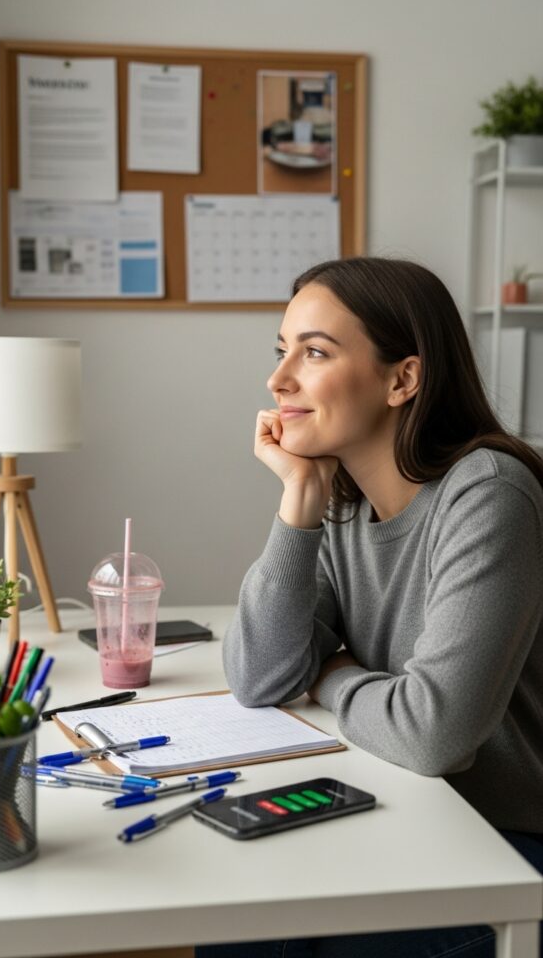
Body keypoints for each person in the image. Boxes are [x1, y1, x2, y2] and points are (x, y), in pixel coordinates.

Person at [196, 256, 543, 958]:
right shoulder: (341, 504)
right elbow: (260, 677)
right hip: (404, 809)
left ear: (402, 379)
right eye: (281, 350)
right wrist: (297, 504)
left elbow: (431, 734)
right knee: (233, 923)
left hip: (506, 842)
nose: (278, 379)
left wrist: (327, 676)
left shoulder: (488, 495)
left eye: (314, 352)